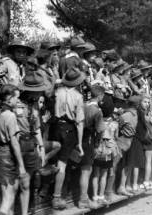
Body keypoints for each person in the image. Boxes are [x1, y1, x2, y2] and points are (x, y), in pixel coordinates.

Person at [49, 67, 86, 209]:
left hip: (55, 127)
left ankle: (46, 191)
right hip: (69, 129)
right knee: (62, 165)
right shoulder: (78, 96)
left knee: (52, 159)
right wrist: (80, 143)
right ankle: (57, 197)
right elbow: (80, 122)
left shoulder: (56, 92)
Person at [16, 71, 50, 215]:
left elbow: (36, 129)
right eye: (36, 91)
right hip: (18, 144)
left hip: (30, 145)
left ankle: (27, 211)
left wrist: (41, 148)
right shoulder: (16, 104)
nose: (38, 94)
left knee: (29, 182)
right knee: (18, 183)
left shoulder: (35, 106)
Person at [0, 84, 27, 215]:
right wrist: (21, 166)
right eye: (16, 98)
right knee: (9, 196)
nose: (17, 101)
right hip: (7, 155)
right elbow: (14, 142)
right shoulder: (10, 115)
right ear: (10, 98)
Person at [78, 85, 105, 209]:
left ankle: (83, 197)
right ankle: (83, 199)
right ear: (100, 96)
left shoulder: (83, 105)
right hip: (89, 140)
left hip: (79, 138)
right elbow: (100, 131)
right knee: (86, 170)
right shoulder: (97, 111)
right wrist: (97, 145)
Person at [92, 94, 118, 204]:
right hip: (108, 152)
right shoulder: (114, 124)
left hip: (97, 149)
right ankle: (102, 195)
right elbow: (116, 137)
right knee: (104, 174)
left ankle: (94, 196)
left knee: (95, 174)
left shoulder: (98, 121)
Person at [116, 96, 139, 196]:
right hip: (131, 141)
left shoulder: (125, 116)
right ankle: (124, 185)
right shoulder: (136, 114)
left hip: (122, 141)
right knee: (127, 165)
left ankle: (118, 187)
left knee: (117, 165)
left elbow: (118, 126)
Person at [126, 95, 149, 192]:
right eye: (145, 102)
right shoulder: (139, 113)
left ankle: (130, 184)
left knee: (132, 163)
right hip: (136, 139)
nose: (147, 104)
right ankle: (132, 184)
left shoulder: (137, 112)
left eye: (148, 102)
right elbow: (140, 129)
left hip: (134, 139)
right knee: (134, 163)